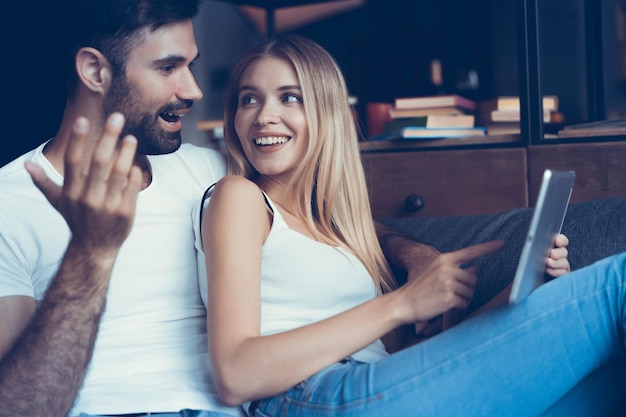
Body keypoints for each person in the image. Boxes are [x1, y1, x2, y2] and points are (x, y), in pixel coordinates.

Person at [0, 1, 446, 416]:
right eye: (168, 67)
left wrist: (414, 255)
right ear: (95, 70)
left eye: (189, 65)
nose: (193, 89)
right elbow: (20, 404)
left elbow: (317, 225)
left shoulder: (205, 168)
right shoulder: (10, 202)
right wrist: (89, 254)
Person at [198, 34, 624, 417]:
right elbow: (237, 373)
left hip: (377, 388)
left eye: (289, 98)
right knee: (616, 284)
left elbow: (411, 358)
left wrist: (524, 296)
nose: (263, 116)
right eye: (249, 99)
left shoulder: (338, 232)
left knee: (607, 377)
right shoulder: (239, 197)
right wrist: (403, 303)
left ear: (327, 114)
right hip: (313, 398)